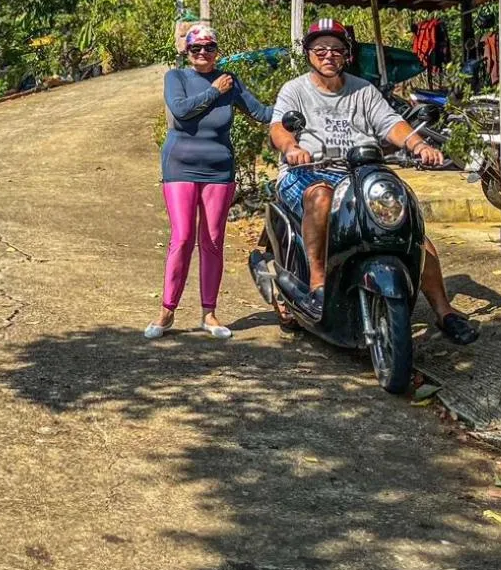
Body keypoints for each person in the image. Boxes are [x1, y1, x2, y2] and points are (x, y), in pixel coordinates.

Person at [268, 18, 479, 344]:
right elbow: (279, 127)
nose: (329, 56)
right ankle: (318, 281)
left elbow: (391, 123)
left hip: (358, 173)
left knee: (410, 229)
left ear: (347, 54)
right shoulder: (295, 90)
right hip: (307, 172)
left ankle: (444, 311)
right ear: (309, 53)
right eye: (321, 49)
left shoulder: (363, 90)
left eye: (336, 50)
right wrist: (292, 147)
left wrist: (418, 145)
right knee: (321, 197)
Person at [147, 21, 273, 341]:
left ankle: (209, 312)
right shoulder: (176, 77)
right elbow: (181, 110)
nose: (203, 53)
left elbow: (260, 112)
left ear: (217, 51)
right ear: (187, 52)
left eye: (209, 47)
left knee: (213, 239)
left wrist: (298, 106)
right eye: (196, 48)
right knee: (183, 236)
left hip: (219, 171)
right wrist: (215, 90)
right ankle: (167, 310)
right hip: (180, 166)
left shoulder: (232, 81)